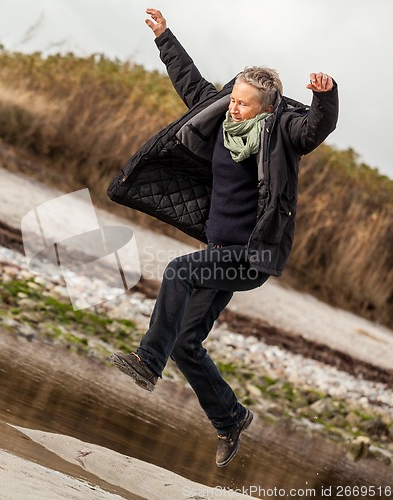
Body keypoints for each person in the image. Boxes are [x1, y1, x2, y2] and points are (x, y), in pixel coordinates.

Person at [109, 8, 338, 467]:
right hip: (220, 251)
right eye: (233, 98)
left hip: (250, 256)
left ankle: (147, 363)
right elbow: (189, 81)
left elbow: (317, 128)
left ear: (266, 107)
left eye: (244, 103)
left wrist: (325, 97)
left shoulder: (282, 134)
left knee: (177, 271)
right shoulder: (220, 123)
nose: (234, 106)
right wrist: (164, 36)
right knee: (187, 341)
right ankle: (230, 418)